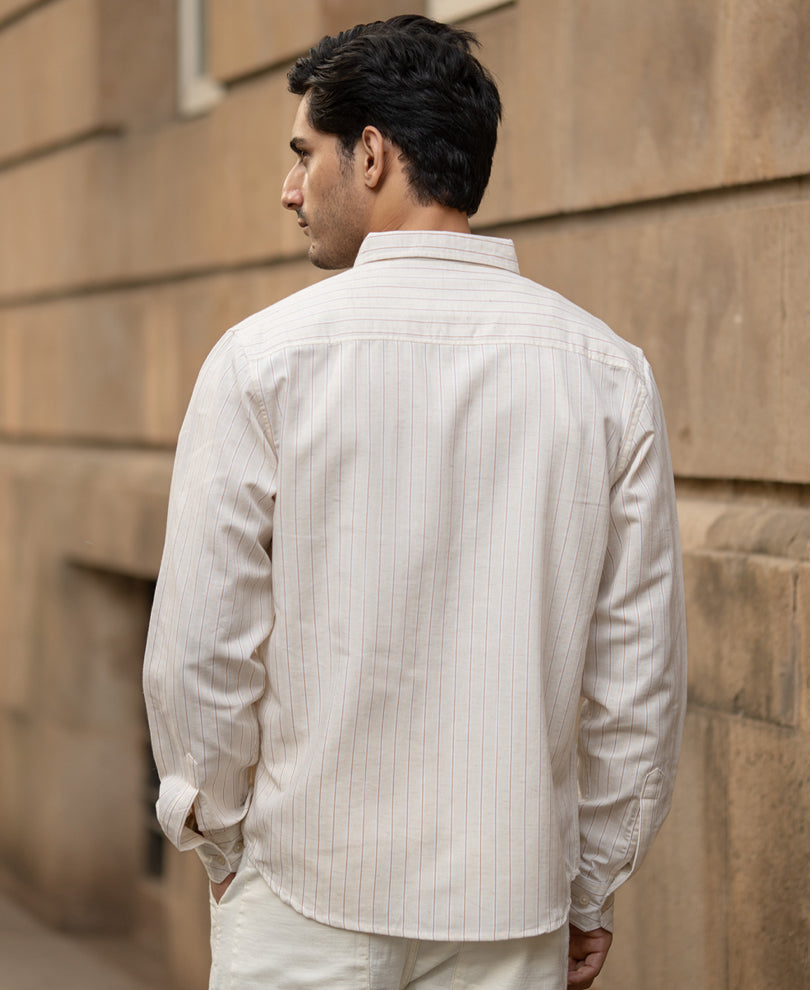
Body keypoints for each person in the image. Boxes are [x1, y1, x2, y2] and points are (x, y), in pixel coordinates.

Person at [143, 14, 686, 990]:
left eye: (305, 155)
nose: (288, 187)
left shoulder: (263, 363)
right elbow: (635, 685)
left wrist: (218, 835)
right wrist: (589, 884)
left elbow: (202, 649)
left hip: (301, 893)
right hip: (510, 904)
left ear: (373, 155)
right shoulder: (608, 376)